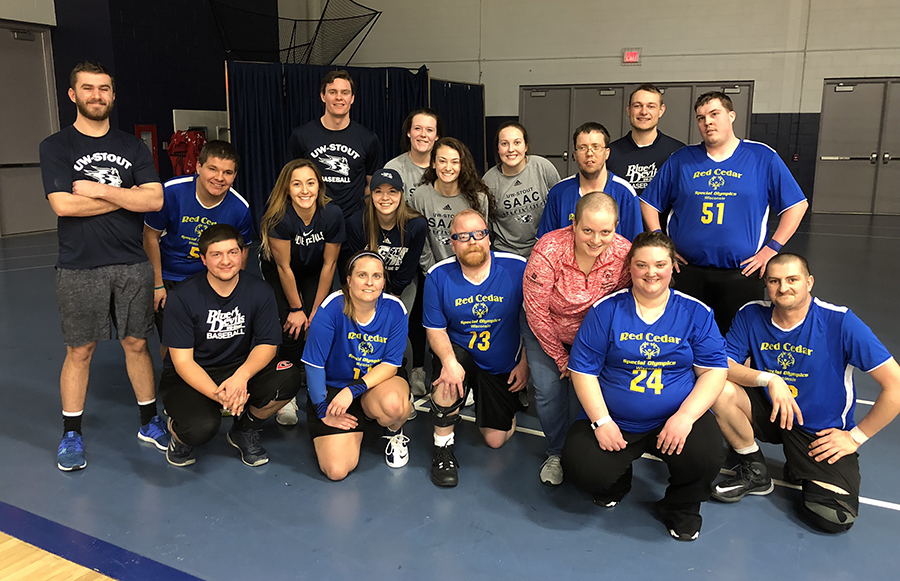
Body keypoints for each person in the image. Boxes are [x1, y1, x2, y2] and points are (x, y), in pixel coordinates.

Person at [710, 253, 900, 533]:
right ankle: (754, 468)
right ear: (766, 284)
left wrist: (855, 437)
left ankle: (801, 464)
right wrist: (769, 379)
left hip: (818, 431)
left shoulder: (840, 322)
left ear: (809, 282)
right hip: (770, 411)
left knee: (832, 518)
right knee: (717, 389)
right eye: (774, 281)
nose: (783, 288)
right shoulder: (751, 314)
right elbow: (722, 365)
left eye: (792, 280)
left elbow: (895, 385)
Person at [40, 61, 166, 471]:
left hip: (132, 263)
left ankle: (149, 422)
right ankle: (71, 432)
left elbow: (154, 200)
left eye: (105, 88)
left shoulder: (133, 147)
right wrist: (124, 193)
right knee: (80, 350)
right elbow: (63, 204)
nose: (98, 95)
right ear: (73, 95)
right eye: (89, 88)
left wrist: (98, 189)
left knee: (137, 343)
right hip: (80, 266)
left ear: (113, 95)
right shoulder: (56, 146)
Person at [562, 232, 727, 541]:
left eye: (660, 264)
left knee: (706, 458)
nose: (651, 272)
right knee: (582, 468)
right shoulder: (606, 311)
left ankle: (681, 507)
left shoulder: (695, 312)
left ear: (673, 266)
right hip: (618, 420)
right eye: (642, 264)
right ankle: (617, 481)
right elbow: (582, 370)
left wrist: (685, 417)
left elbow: (714, 371)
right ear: (630, 267)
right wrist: (601, 421)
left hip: (673, 418)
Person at [640, 91, 809, 334]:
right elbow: (649, 202)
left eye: (714, 114)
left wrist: (771, 249)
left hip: (741, 273)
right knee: (684, 339)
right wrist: (662, 244)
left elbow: (797, 205)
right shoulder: (682, 159)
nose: (707, 122)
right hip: (688, 272)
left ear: (731, 116)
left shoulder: (761, 157)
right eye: (700, 118)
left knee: (736, 346)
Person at [161, 225, 300, 468]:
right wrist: (220, 396)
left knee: (289, 377)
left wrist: (240, 378)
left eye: (232, 253)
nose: (226, 261)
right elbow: (182, 361)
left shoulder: (259, 291)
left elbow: (267, 345)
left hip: (236, 368)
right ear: (203, 259)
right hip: (192, 374)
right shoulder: (183, 296)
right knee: (201, 428)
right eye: (216, 254)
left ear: (243, 254)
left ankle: (243, 430)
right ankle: (178, 434)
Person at [522, 192, 631, 485]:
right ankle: (556, 452)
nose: (596, 240)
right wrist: (561, 358)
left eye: (605, 232)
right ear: (573, 224)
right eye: (587, 231)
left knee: (582, 396)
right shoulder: (548, 249)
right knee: (548, 392)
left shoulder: (624, 254)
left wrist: (587, 354)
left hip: (591, 335)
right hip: (547, 327)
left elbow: (621, 303)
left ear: (616, 226)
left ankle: (576, 451)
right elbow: (536, 310)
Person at [423, 210, 529, 487]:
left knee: (495, 441)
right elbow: (435, 328)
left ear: (489, 238)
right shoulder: (438, 275)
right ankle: (442, 448)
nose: (473, 241)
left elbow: (534, 320)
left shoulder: (517, 268)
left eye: (479, 234)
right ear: (452, 242)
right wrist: (448, 361)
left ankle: (497, 405)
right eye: (463, 236)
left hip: (502, 366)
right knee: (448, 376)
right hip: (462, 358)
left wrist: (525, 362)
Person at [301, 251, 412, 480]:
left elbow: (391, 365)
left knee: (393, 406)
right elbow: (313, 364)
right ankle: (362, 425)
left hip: (375, 384)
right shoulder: (332, 307)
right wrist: (323, 409)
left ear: (383, 281)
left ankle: (394, 430)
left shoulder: (395, 309)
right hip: (334, 386)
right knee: (336, 471)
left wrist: (352, 391)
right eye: (362, 275)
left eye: (377, 276)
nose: (370, 282)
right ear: (349, 280)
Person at [143, 140, 253, 357]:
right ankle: (173, 381)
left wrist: (233, 288)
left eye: (227, 172)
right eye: (212, 169)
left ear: (235, 176)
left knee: (209, 334)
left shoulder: (240, 208)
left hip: (210, 277)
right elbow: (150, 236)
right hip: (170, 276)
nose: (219, 178)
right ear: (198, 167)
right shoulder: (171, 192)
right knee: (173, 339)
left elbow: (242, 250)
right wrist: (157, 285)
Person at [258, 159, 345, 426]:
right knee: (292, 327)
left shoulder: (332, 214)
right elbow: (284, 268)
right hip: (281, 271)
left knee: (319, 323)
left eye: (310, 183)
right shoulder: (279, 217)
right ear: (287, 189)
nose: (304, 190)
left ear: (319, 186)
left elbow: (330, 264)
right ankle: (288, 393)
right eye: (296, 184)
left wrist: (316, 309)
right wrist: (297, 310)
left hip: (314, 268)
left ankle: (316, 379)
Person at [289, 70, 383, 219]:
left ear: (352, 98)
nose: (339, 97)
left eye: (345, 93)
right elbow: (292, 181)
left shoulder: (368, 138)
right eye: (333, 92)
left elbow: (372, 185)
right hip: (314, 220)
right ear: (322, 96)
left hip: (352, 222)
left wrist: (364, 218)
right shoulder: (301, 135)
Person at [537, 122, 642, 242]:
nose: (589, 153)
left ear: (607, 153)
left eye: (596, 147)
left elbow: (634, 245)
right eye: (583, 148)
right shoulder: (559, 192)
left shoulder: (625, 193)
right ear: (575, 155)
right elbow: (546, 243)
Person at [345, 168, 427, 312]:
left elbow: (409, 267)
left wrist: (394, 294)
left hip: (402, 284)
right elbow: (357, 266)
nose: (385, 197)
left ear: (401, 195)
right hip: (368, 282)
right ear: (370, 195)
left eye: (392, 191)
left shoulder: (416, 224)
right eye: (378, 191)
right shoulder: (357, 223)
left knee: (394, 322)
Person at [410, 137, 493, 271]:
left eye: (455, 162)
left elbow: (481, 241)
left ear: (462, 165)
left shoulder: (479, 198)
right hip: (434, 271)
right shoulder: (420, 196)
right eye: (442, 161)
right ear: (433, 163)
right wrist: (434, 272)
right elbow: (422, 245)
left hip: (470, 269)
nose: (448, 168)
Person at [483, 121, 560, 259]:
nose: (511, 149)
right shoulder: (489, 181)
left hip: (543, 250)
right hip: (506, 253)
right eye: (504, 144)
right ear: (498, 149)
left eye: (517, 142)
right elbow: (486, 224)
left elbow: (558, 206)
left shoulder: (542, 167)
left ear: (526, 146)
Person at [607, 84, 684, 197]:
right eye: (637, 106)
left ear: (661, 110)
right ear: (629, 110)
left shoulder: (678, 152)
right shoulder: (610, 153)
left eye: (651, 106)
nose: (644, 112)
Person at [385, 108, 443, 204]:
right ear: (409, 132)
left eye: (429, 130)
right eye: (417, 128)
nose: (423, 134)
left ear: (437, 136)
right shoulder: (393, 168)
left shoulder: (446, 169)